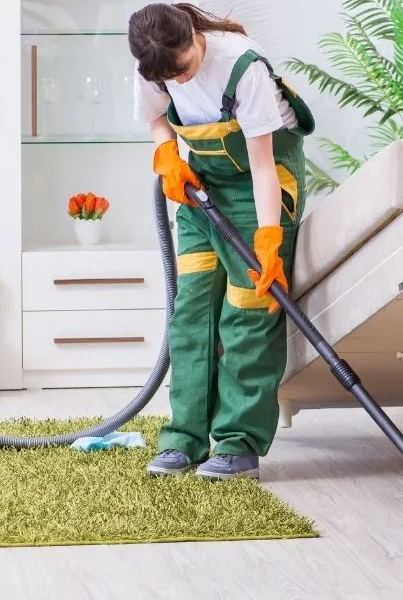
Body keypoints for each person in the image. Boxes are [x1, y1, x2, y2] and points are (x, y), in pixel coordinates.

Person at [127, 3, 314, 481]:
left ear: (194, 35)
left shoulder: (242, 66)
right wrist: (167, 153)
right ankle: (184, 439)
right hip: (202, 184)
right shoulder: (155, 63)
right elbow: (156, 118)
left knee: (247, 313)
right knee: (192, 310)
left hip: (261, 186)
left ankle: (237, 444)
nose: (182, 80)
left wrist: (268, 237)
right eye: (171, 78)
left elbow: (263, 165)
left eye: (185, 68)